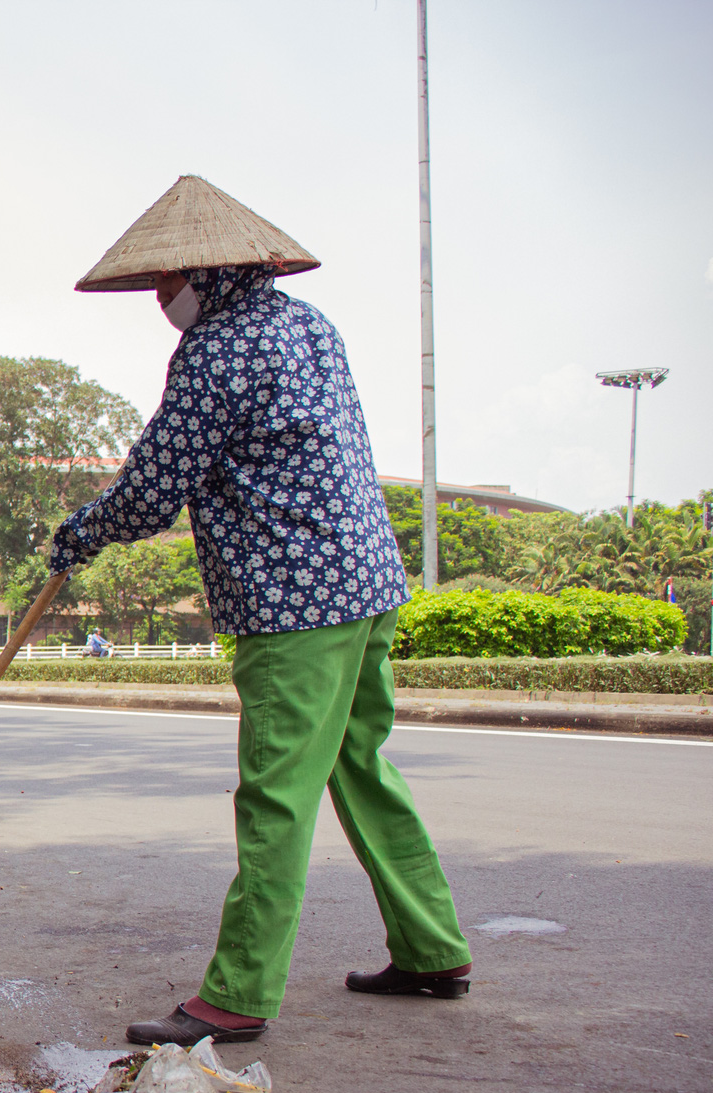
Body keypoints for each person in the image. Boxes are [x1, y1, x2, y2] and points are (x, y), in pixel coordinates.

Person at [49, 176, 473, 1046]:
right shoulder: (309, 326)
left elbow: (154, 489)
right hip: (364, 584)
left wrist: (82, 531)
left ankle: (240, 990)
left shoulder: (215, 352)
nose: (162, 299)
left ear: (207, 269)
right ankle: (432, 944)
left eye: (167, 282)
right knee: (358, 763)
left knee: (277, 795)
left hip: (292, 600)